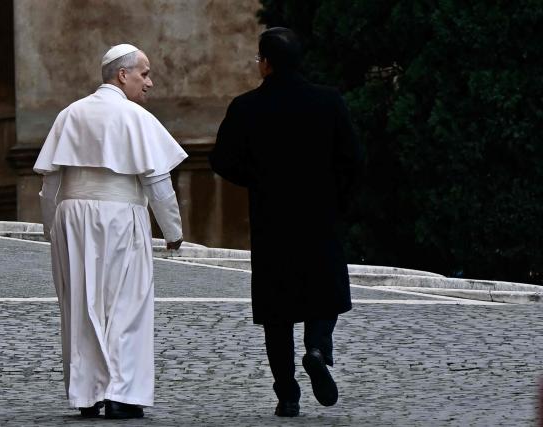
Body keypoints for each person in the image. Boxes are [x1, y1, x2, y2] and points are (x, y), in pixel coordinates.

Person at [209, 27, 363, 417]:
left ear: (265, 63)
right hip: (319, 216)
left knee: (277, 312)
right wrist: (337, 201)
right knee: (324, 293)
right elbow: (353, 159)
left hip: (272, 219)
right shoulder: (328, 102)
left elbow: (221, 160)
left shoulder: (246, 107)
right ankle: (316, 349)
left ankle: (287, 394)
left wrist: (258, 179)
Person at [33, 43, 187, 419]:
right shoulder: (135, 117)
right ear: (123, 75)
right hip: (119, 216)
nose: (149, 83)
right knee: (127, 304)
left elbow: (50, 182)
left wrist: (51, 225)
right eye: (144, 74)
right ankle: (123, 392)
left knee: (81, 306)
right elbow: (157, 181)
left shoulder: (70, 114)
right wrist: (173, 230)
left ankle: (88, 393)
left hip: (71, 216)